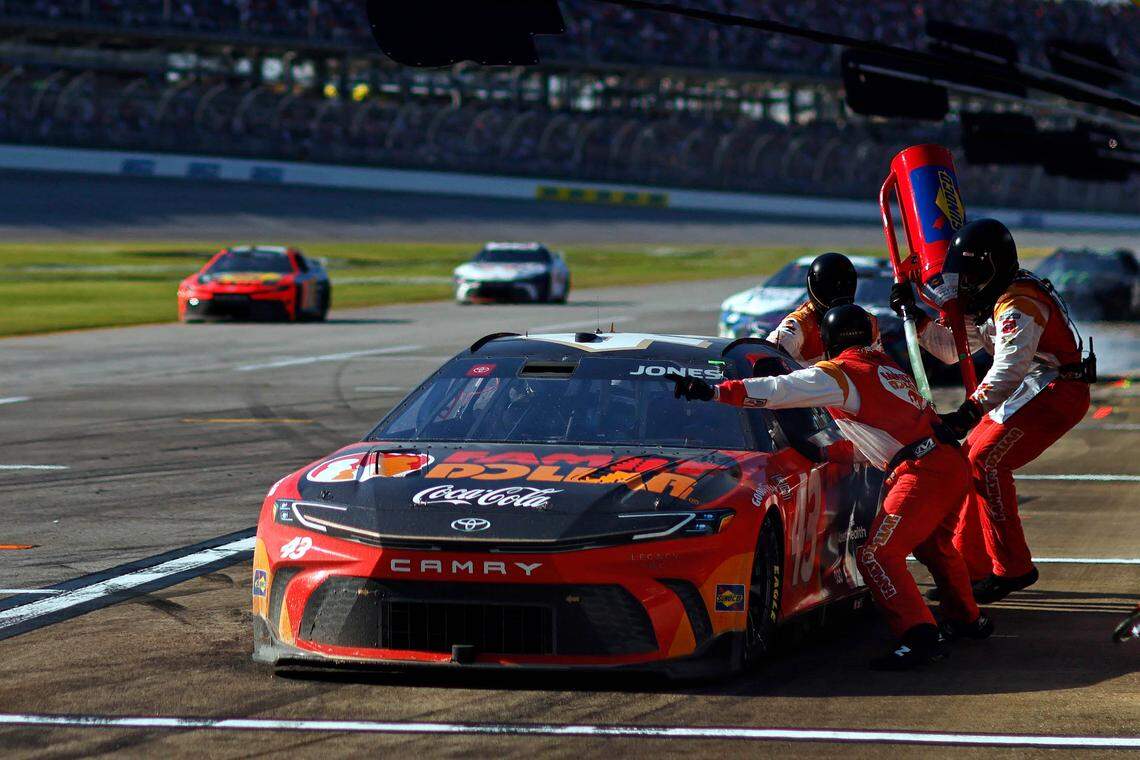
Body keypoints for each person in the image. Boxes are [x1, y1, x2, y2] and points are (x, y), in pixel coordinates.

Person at [675, 304, 992, 670]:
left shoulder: (840, 374)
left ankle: (920, 637)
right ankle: (968, 619)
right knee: (933, 545)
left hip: (923, 471)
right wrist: (831, 451)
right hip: (945, 461)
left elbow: (779, 390)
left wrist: (715, 392)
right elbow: (882, 437)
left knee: (877, 556)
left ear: (829, 339)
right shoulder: (886, 369)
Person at [890, 218, 1093, 604]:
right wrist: (915, 318)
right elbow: (951, 351)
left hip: (1057, 390)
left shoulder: (1018, 303)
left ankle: (1013, 568)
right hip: (1034, 388)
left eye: (968, 274)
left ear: (989, 269)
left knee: (987, 460)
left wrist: (970, 410)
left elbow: (1010, 367)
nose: (962, 283)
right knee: (969, 461)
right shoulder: (992, 300)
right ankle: (973, 566)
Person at [767, 252, 881, 364]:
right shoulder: (800, 323)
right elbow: (766, 356)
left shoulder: (867, 322)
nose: (838, 293)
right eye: (830, 287)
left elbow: (880, 365)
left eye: (844, 286)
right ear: (814, 287)